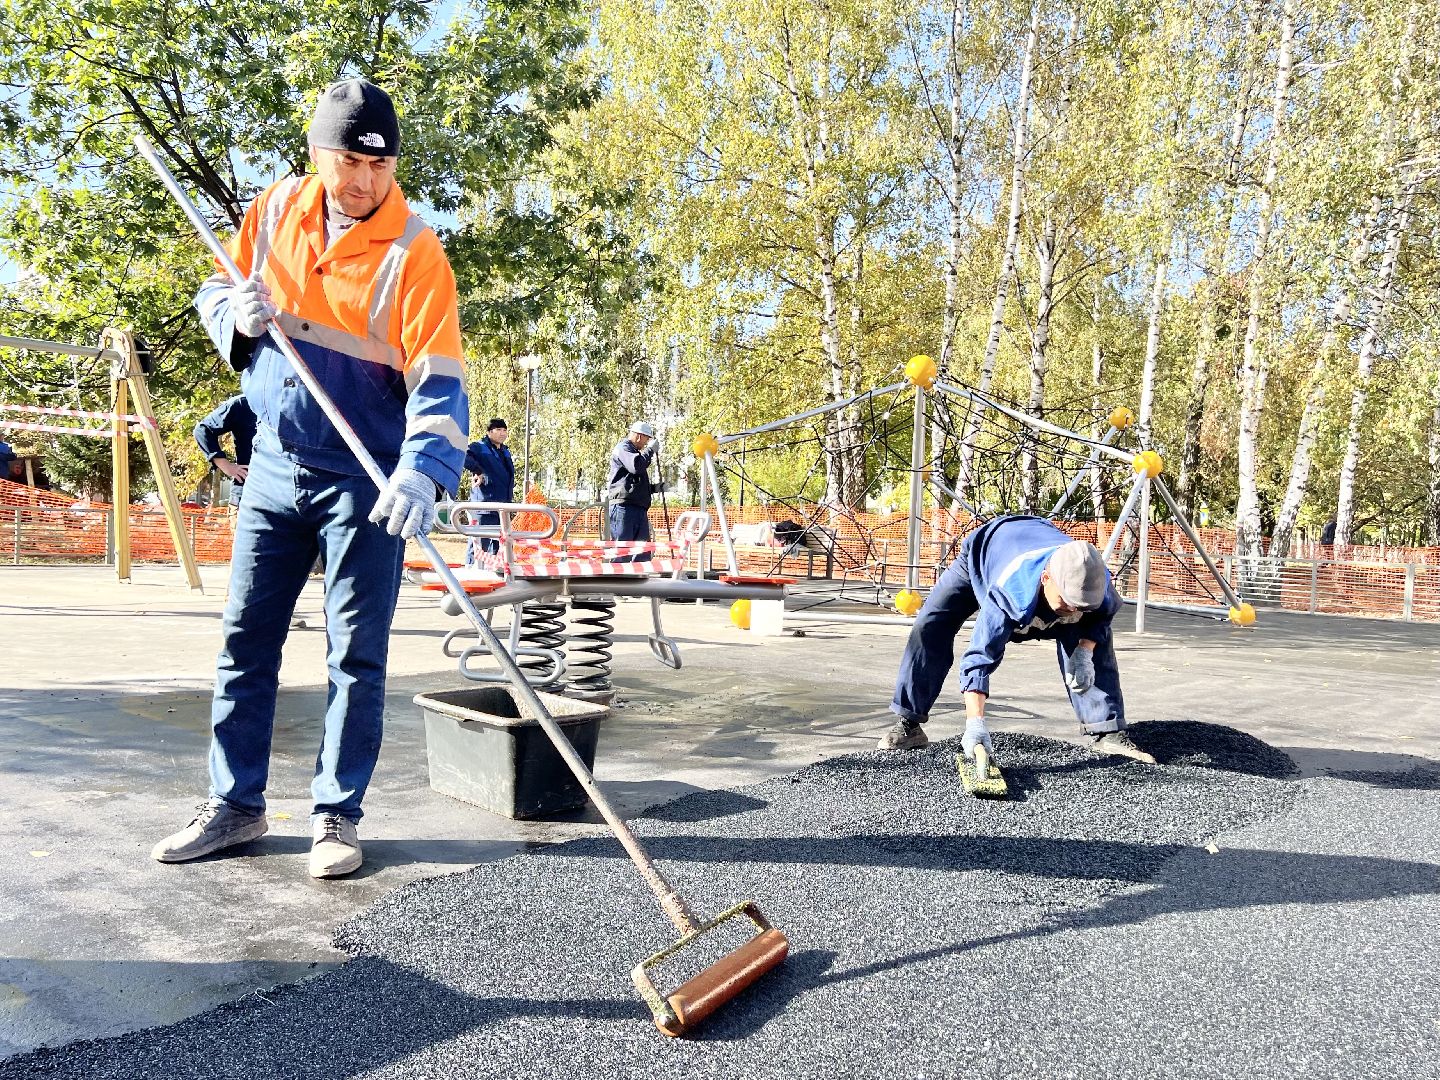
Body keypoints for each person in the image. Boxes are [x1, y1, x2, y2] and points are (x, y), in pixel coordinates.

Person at [153, 78, 469, 879]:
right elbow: (214, 286)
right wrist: (236, 316)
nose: (364, 182)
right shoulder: (276, 209)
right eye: (348, 161)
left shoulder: (415, 253)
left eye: (381, 164)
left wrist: (424, 474)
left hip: (363, 485)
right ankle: (235, 806)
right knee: (243, 643)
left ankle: (337, 816)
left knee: (355, 655)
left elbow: (439, 380)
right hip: (272, 469)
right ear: (316, 152)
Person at [878, 514, 1154, 765]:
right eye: (1067, 601)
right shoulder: (1008, 592)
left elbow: (1101, 618)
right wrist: (975, 723)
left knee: (1090, 639)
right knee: (930, 626)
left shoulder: (1093, 581)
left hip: (1039, 537)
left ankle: (1107, 731)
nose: (1072, 609)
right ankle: (909, 722)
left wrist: (1084, 652)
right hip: (985, 550)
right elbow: (979, 658)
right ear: (1046, 578)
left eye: (1081, 604)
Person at [463, 417, 515, 560]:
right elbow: (463, 455)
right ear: (489, 432)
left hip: (502, 506)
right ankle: (471, 571)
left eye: (504, 430)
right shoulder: (479, 447)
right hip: (484, 506)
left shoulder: (505, 451)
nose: (502, 433)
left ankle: (494, 573)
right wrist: (478, 470)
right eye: (498, 430)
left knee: (499, 546)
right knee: (478, 544)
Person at [193, 394, 256, 508]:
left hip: (289, 495)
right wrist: (225, 465)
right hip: (248, 494)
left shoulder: (296, 402)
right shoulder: (243, 403)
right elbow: (202, 430)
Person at [607, 421, 658, 557]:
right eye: (646, 439)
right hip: (624, 507)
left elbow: (632, 482)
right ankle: (618, 578)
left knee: (642, 552)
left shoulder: (634, 453)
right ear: (639, 436)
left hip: (637, 508)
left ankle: (639, 577)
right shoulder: (623, 448)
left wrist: (653, 488)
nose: (646, 443)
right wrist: (650, 451)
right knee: (622, 552)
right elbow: (635, 467)